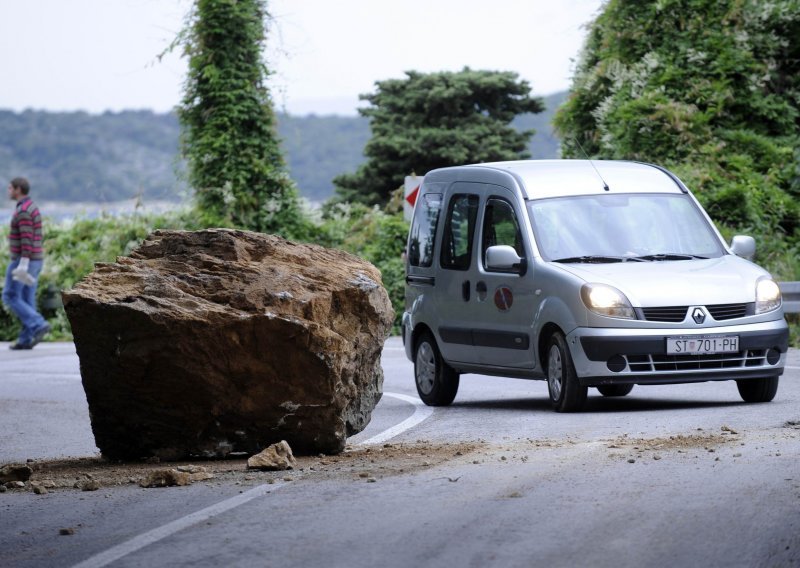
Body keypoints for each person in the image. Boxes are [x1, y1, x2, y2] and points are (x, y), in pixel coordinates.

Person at [3, 177, 50, 350]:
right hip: (36, 260)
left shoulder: (23, 210)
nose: (8, 191)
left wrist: (22, 263)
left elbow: (27, 238)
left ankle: (38, 324)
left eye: (10, 188)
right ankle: (25, 338)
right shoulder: (32, 206)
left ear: (18, 189)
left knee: (10, 295)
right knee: (26, 298)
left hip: (24, 261)